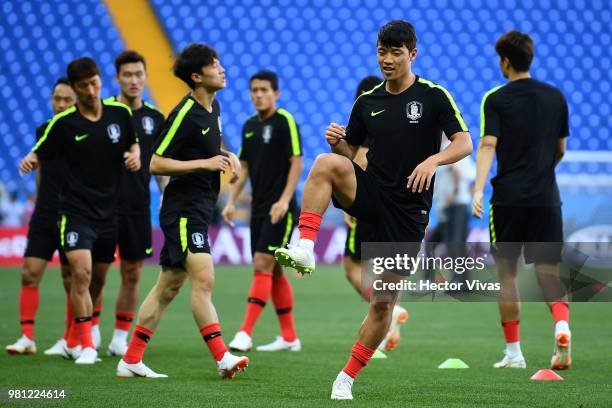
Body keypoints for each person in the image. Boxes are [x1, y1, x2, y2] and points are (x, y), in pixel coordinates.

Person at [275, 20, 472, 400]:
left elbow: (464, 142)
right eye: (382, 51)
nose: (387, 59)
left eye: (396, 52)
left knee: (383, 303)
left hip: (409, 211)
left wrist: (433, 161)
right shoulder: (367, 102)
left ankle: (346, 377)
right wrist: (340, 146)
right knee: (324, 163)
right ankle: (304, 245)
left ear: (412, 54)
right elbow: (353, 157)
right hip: (373, 194)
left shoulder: (433, 96)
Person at [116, 43, 248, 379]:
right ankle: (222, 357)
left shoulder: (213, 108)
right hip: (184, 211)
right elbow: (156, 162)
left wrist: (224, 155)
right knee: (204, 279)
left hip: (199, 208)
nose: (222, 69)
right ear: (196, 76)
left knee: (168, 287)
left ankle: (130, 359)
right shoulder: (184, 113)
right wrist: (205, 162)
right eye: (214, 65)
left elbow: (202, 146)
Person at [20, 57, 141, 365]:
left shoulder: (121, 114)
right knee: (81, 273)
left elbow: (134, 143)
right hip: (75, 212)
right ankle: (87, 345)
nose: (90, 89)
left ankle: (75, 337)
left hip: (108, 213)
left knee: (97, 281)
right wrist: (30, 159)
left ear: (101, 80)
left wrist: (134, 155)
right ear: (75, 88)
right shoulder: (64, 123)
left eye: (94, 83)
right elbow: (41, 147)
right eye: (84, 85)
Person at [472, 30, 571, 370]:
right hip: (546, 197)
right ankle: (561, 325)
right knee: (548, 273)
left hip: (508, 199)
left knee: (508, 276)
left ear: (505, 61)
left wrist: (477, 189)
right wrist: (542, 173)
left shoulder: (496, 99)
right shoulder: (555, 97)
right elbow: (560, 150)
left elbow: (487, 145)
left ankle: (514, 353)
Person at [222, 70, 303, 352]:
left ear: (276, 94)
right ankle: (290, 338)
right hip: (258, 208)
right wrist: (231, 200)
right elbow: (243, 167)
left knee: (261, 265)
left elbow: (296, 162)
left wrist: (284, 200)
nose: (259, 95)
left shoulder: (285, 122)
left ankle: (245, 332)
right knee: (275, 270)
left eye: (264, 90)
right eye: (254, 90)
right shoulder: (248, 126)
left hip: (280, 208)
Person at [102, 50, 167, 357]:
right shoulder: (102, 113)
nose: (133, 80)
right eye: (126, 75)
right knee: (94, 273)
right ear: (117, 78)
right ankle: (84, 334)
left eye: (138, 74)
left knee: (132, 273)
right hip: (99, 207)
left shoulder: (155, 119)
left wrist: (166, 197)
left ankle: (118, 337)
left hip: (137, 206)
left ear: (145, 76)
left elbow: (161, 165)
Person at [5, 77, 76, 356]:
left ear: (77, 100)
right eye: (56, 98)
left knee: (72, 279)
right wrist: (39, 203)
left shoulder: (85, 132)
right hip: (45, 212)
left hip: (73, 213)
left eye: (66, 99)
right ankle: (27, 337)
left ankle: (70, 339)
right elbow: (42, 171)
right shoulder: (44, 130)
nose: (60, 104)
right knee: (29, 273)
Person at [341, 75, 408, 358]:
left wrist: (352, 200)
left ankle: (389, 312)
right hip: (399, 206)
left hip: (370, 201)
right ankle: (388, 314)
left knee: (352, 266)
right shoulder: (398, 118)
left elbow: (363, 158)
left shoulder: (368, 115)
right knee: (389, 268)